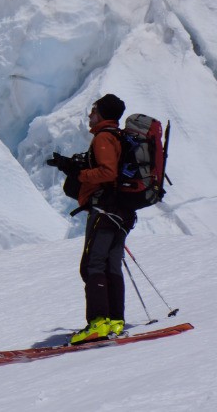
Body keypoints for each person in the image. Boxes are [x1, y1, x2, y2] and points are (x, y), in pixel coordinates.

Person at [47, 94, 137, 344]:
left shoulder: (104, 137)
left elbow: (107, 172)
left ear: (103, 114)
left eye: (94, 111)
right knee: (110, 264)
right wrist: (72, 166)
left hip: (106, 210)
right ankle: (115, 320)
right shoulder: (115, 137)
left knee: (92, 265)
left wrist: (83, 176)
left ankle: (98, 322)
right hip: (120, 211)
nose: (90, 115)